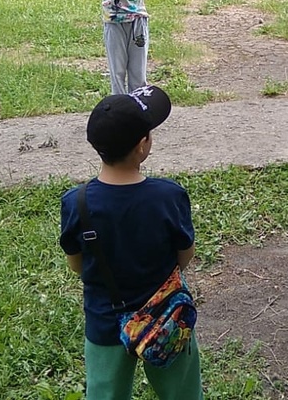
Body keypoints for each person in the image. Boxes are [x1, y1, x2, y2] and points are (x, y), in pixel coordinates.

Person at [59, 87, 202, 400]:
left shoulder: (76, 202)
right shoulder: (168, 196)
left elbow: (77, 265)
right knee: (182, 393)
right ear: (142, 146)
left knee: (105, 394)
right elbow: (184, 255)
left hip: (104, 320)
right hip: (166, 318)